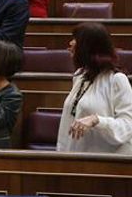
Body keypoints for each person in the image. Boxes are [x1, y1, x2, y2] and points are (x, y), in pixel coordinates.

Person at [57, 23, 132, 154]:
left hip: (104, 164)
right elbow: (66, 125)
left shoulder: (117, 80)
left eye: (76, 39)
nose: (70, 43)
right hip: (74, 160)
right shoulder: (80, 77)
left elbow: (127, 126)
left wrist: (97, 120)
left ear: (88, 46)